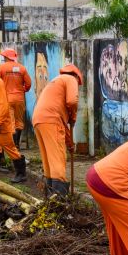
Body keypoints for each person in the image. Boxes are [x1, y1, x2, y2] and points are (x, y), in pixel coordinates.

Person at [32, 64, 82, 196]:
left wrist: (70, 143)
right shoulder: (70, 79)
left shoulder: (55, 82)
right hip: (51, 120)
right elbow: (72, 101)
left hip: (39, 120)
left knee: (49, 160)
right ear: (77, 76)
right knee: (58, 160)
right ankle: (59, 198)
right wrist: (73, 116)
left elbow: (61, 125)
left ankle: (50, 197)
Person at [0, 48, 32, 148]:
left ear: (6, 57)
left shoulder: (1, 68)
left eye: (4, 56)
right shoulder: (22, 68)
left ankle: (12, 145)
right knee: (19, 121)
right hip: (19, 98)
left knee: (10, 122)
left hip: (7, 99)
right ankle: (16, 144)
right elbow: (28, 84)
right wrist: (23, 89)